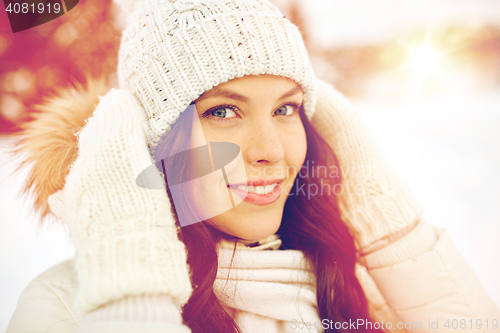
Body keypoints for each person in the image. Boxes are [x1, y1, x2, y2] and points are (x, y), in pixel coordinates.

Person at [7, 0, 500, 332]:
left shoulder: (353, 285)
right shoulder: (64, 308)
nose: (271, 150)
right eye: (223, 111)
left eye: (285, 109)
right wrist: (132, 283)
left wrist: (390, 228)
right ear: (155, 144)